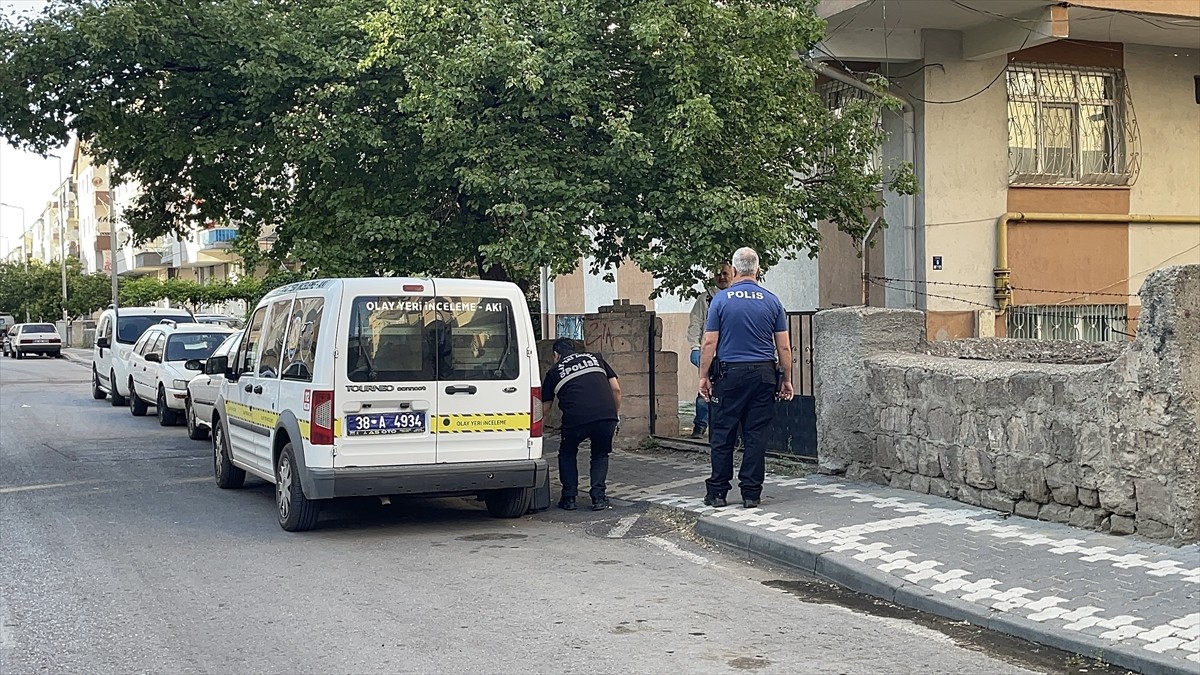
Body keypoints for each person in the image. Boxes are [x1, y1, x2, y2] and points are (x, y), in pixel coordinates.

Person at [698, 247, 793, 509]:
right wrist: (786, 378)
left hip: (730, 375)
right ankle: (751, 493)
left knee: (722, 433)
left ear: (735, 270)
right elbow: (783, 347)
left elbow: (709, 342)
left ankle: (717, 492)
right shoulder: (772, 301)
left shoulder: (721, 300)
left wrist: (703, 376)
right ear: (758, 270)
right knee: (755, 435)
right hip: (764, 374)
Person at [542, 338, 622, 511]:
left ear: (556, 355)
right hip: (605, 416)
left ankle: (569, 498)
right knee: (600, 454)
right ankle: (599, 498)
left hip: (575, 419)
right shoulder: (596, 358)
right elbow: (616, 389)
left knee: (567, 453)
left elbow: (545, 408)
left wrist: (537, 432)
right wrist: (614, 415)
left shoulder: (554, 371)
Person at [685, 263, 733, 439]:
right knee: (705, 389)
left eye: (725, 273)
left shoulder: (734, 296)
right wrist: (694, 348)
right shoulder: (705, 299)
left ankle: (724, 428)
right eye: (718, 274)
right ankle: (700, 425)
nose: (721, 277)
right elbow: (695, 323)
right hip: (709, 353)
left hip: (730, 353)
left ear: (732, 274)